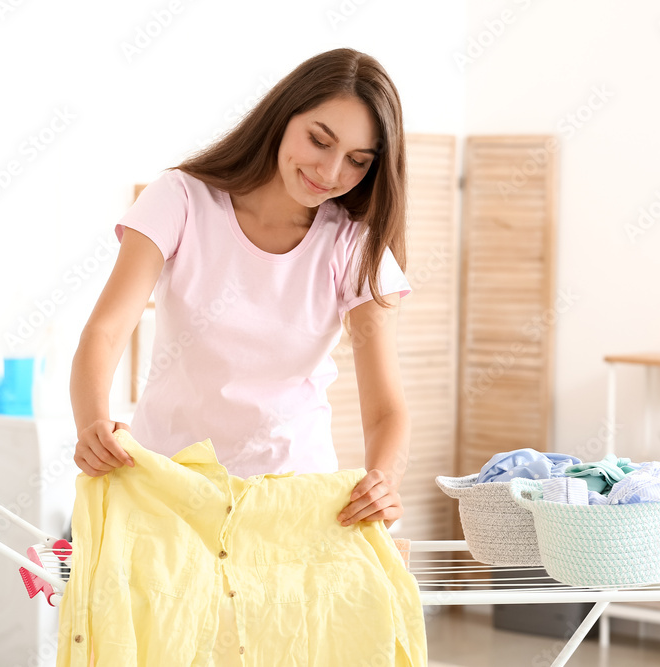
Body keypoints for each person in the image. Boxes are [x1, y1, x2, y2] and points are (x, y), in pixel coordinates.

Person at [69, 47, 412, 531]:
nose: (331, 173)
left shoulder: (354, 243)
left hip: (292, 502)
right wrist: (92, 424)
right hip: (169, 488)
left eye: (357, 160)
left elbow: (386, 409)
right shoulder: (181, 198)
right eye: (319, 140)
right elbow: (104, 332)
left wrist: (383, 481)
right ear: (283, 115)